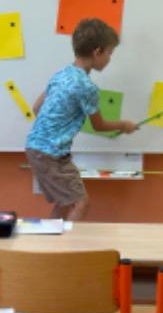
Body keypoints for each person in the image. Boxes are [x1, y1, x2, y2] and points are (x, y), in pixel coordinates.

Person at [25, 18, 137, 220]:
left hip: (35, 148)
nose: (109, 59)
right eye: (109, 53)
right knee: (80, 203)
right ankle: (68, 242)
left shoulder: (62, 74)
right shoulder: (87, 87)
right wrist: (124, 125)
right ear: (97, 52)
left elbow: (36, 107)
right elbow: (99, 125)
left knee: (65, 202)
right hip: (51, 153)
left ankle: (53, 240)